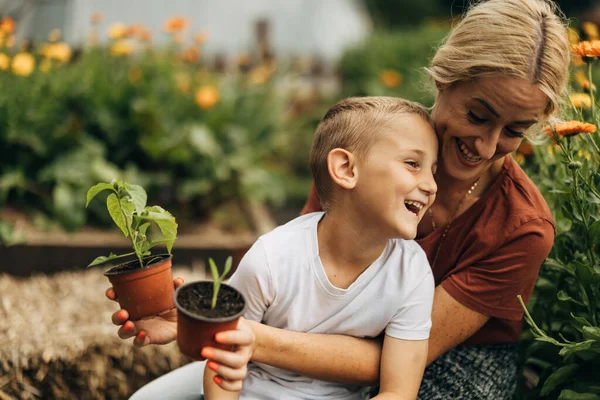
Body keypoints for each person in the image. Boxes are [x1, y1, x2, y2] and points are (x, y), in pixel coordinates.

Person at [109, 0, 571, 398]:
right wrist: (197, 322)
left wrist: (238, 333)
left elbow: (397, 364)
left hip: (448, 364)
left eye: (514, 131)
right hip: (314, 346)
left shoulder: (521, 227)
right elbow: (302, 287)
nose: (487, 147)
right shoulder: (367, 154)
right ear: (444, 80)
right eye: (477, 115)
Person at [112, 96, 439, 400]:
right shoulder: (272, 258)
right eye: (413, 164)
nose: (431, 185)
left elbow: (397, 391)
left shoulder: (412, 274)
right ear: (346, 169)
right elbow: (222, 353)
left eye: (433, 170)